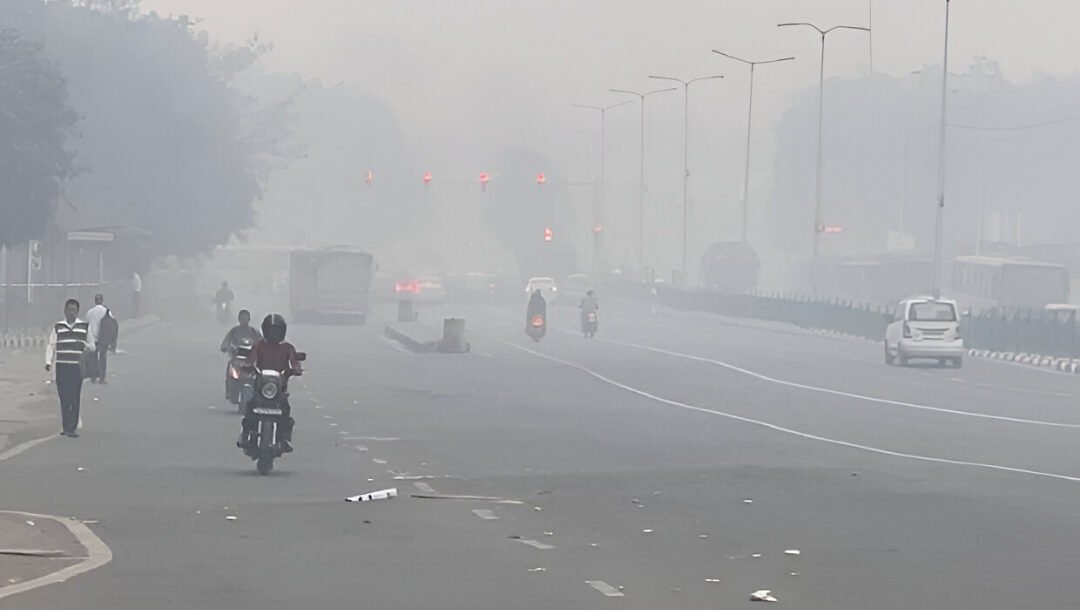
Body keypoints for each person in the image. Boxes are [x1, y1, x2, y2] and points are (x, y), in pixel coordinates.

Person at [239, 314, 302, 452]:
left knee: (285, 411)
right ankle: (245, 435)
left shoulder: (287, 348)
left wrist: (295, 369)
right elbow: (251, 359)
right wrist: (248, 366)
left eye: (277, 331)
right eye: (271, 330)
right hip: (261, 385)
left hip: (279, 387)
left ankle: (284, 439)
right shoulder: (259, 345)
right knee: (250, 408)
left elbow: (294, 361)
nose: (274, 334)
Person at [45, 299, 92, 438]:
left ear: (77, 311)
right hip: (62, 366)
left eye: (74, 310)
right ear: (65, 311)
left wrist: (83, 344)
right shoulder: (58, 327)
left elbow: (92, 345)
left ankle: (71, 427)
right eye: (69, 309)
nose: (71, 312)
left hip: (77, 367)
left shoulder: (84, 327)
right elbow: (51, 344)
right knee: (64, 396)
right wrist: (48, 362)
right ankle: (66, 425)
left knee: (74, 396)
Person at [85, 294, 109, 384]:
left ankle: (93, 376)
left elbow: (87, 324)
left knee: (93, 358)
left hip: (92, 336)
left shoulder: (90, 312)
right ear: (102, 300)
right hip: (103, 336)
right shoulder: (106, 311)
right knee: (103, 358)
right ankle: (102, 378)